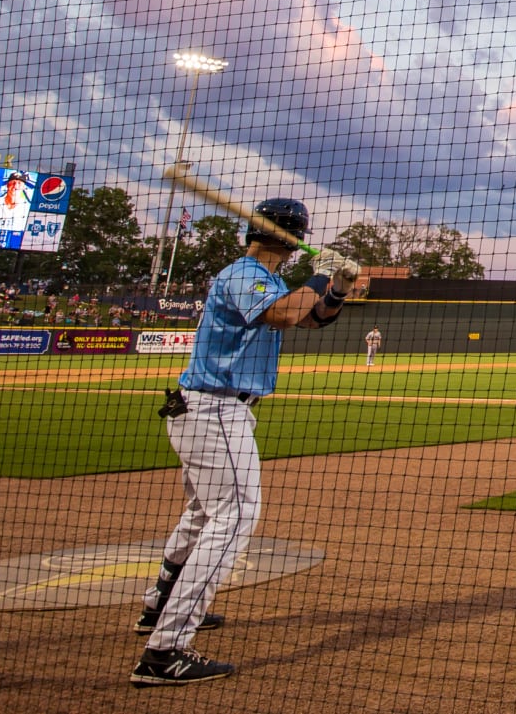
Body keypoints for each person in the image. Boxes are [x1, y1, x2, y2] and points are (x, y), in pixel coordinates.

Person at [129, 198, 362, 687]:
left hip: (212, 410)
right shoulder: (244, 274)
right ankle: (166, 650)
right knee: (235, 517)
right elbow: (280, 316)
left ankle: (158, 608)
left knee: (200, 515)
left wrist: (336, 291)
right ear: (292, 236)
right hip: (215, 409)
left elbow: (308, 319)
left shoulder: (271, 279)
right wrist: (320, 277)